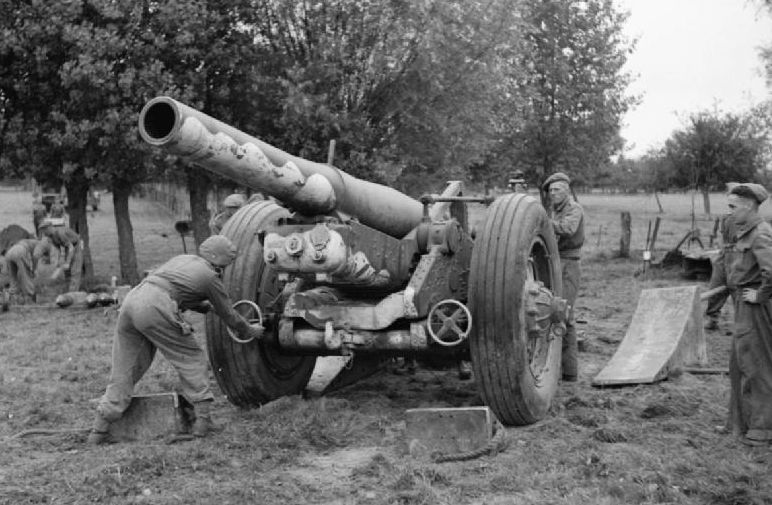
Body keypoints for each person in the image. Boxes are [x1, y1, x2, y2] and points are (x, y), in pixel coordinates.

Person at [88, 235, 265, 444]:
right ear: (221, 263)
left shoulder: (183, 260)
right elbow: (230, 316)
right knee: (191, 357)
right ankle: (203, 421)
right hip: (155, 305)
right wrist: (251, 330)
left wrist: (204, 306)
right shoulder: (210, 276)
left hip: (133, 301)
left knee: (127, 368)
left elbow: (173, 287)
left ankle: (99, 428)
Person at [712, 183, 772, 446]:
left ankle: (761, 430)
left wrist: (760, 295)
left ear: (748, 206)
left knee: (756, 366)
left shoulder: (760, 233)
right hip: (740, 303)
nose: (729, 213)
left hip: (754, 307)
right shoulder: (742, 232)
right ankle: (738, 424)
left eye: (733, 207)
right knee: (738, 365)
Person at [542, 172, 584, 382]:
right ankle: (556, 370)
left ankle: (570, 373)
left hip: (569, 264)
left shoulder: (574, 208)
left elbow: (568, 229)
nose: (552, 193)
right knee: (551, 311)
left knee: (565, 313)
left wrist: (545, 223)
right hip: (556, 263)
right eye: (550, 191)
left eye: (557, 189)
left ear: (566, 191)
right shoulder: (554, 210)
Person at [705, 182, 740, 330]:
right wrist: (720, 250)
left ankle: (743, 324)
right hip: (724, 255)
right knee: (716, 286)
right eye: (729, 197)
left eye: (734, 198)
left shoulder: (746, 218)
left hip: (738, 256)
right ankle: (713, 318)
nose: (730, 201)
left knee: (737, 289)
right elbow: (722, 237)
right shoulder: (726, 217)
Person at [36, 221, 84, 292]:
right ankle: (67, 292)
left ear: (49, 228)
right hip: (67, 247)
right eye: (42, 231)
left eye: (44, 230)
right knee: (67, 272)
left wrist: (67, 262)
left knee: (75, 271)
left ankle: (73, 293)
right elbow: (58, 249)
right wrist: (59, 262)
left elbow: (71, 247)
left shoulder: (60, 233)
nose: (44, 233)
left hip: (76, 246)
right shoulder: (51, 237)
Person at [2, 238, 41, 304]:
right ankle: (31, 297)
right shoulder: (40, 245)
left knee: (13, 277)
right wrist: (34, 269)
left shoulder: (29, 241)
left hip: (9, 253)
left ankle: (10, 298)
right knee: (26, 274)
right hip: (20, 251)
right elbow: (35, 257)